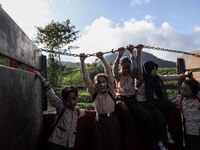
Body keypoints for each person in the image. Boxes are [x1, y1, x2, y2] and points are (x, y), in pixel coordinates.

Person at [136, 60, 190, 150]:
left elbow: (166, 77)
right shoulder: (142, 78)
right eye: (153, 69)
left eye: (155, 69)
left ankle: (166, 127)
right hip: (143, 102)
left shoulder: (155, 77)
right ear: (148, 69)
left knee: (170, 106)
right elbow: (137, 65)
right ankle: (160, 140)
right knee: (158, 116)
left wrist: (182, 76)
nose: (155, 71)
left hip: (152, 100)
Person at [79, 52, 121, 150]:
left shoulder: (111, 91)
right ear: (94, 85)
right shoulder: (94, 93)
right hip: (100, 122)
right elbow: (85, 78)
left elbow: (108, 72)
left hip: (113, 121)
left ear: (107, 83)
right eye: (98, 82)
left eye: (104, 82)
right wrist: (82, 61)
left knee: (114, 144)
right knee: (100, 144)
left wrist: (102, 58)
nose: (102, 84)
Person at [34, 71, 86, 150]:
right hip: (56, 143)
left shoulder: (77, 111)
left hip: (69, 144)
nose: (71, 102)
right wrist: (42, 78)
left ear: (77, 98)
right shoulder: (61, 107)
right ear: (63, 100)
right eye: (68, 100)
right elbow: (51, 94)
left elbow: (83, 112)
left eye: (74, 99)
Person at [112, 44, 143, 150]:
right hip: (121, 99)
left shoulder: (132, 74)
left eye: (128, 68)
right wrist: (119, 55)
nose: (126, 70)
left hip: (132, 99)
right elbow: (114, 69)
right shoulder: (118, 76)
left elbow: (135, 67)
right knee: (125, 111)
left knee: (143, 113)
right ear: (121, 67)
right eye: (124, 68)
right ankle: (124, 141)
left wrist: (131, 53)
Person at [175, 78, 200, 150]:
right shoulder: (179, 100)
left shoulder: (198, 97)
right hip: (191, 132)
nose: (182, 91)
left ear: (193, 91)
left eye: (186, 90)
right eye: (181, 88)